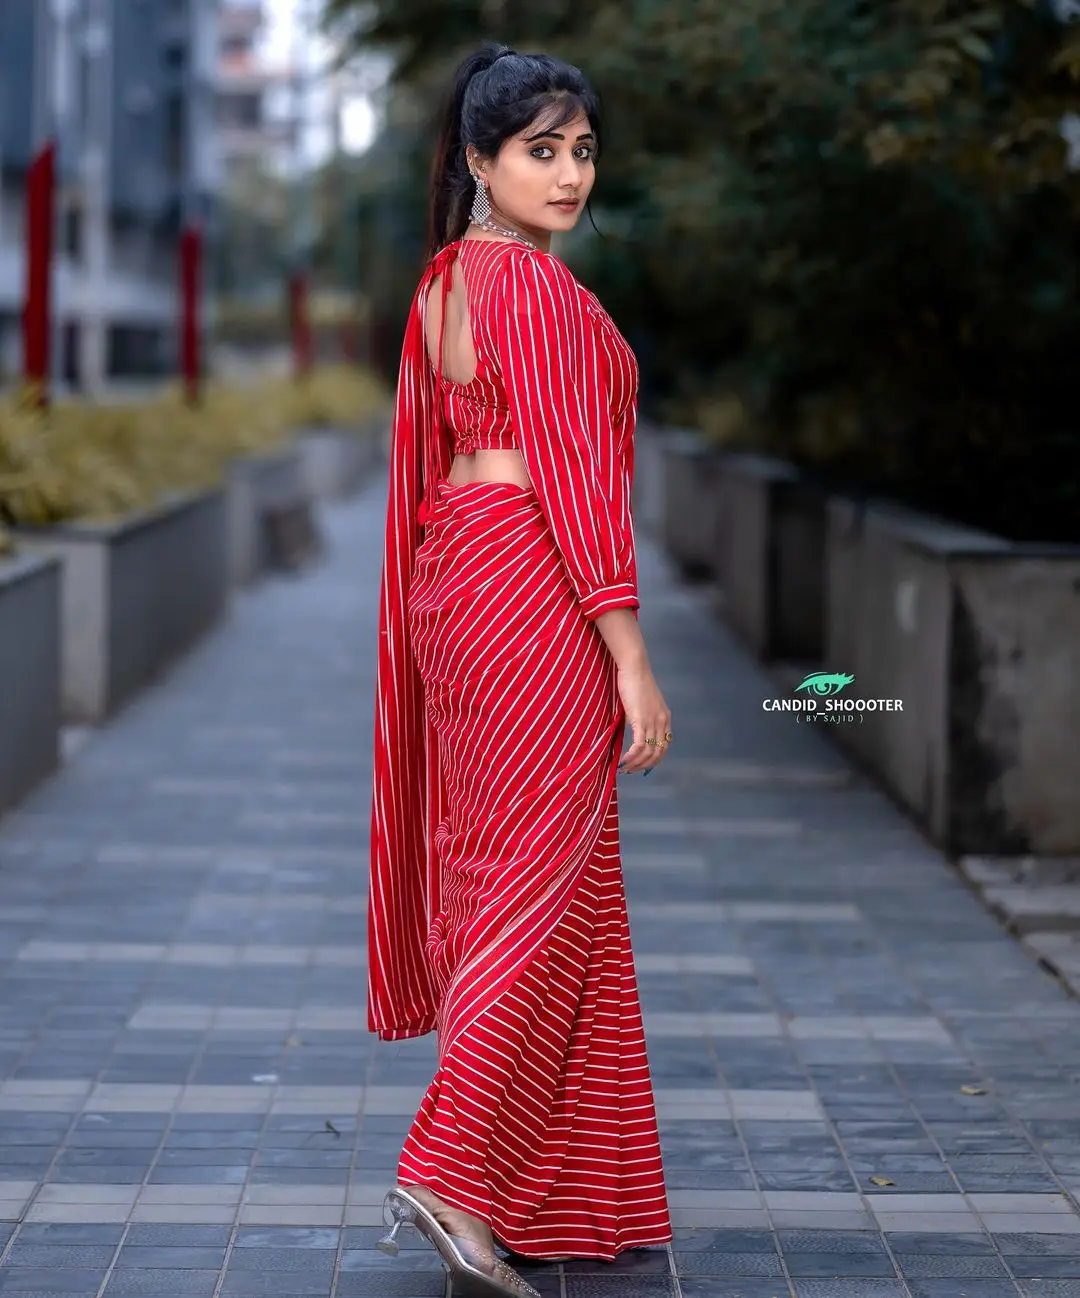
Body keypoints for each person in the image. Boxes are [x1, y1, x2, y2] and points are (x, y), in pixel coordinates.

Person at [368, 40, 674, 1298]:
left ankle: (537, 1187)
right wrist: (635, 659)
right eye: (540, 149)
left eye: (582, 149)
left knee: (527, 876)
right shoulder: (535, 294)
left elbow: (434, 465)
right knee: (537, 893)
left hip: (460, 582)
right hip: (535, 590)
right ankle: (446, 1168)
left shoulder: (446, 284)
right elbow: (580, 492)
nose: (568, 171)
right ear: (482, 163)